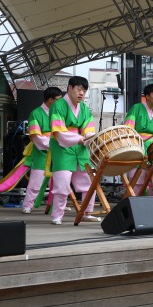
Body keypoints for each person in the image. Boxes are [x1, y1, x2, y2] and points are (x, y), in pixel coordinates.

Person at [0, 87, 62, 211]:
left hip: (58, 151)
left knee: (59, 182)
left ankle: (57, 206)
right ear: (51, 100)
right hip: (42, 151)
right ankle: (27, 205)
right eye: (59, 100)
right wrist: (53, 143)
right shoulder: (36, 113)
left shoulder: (60, 114)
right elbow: (36, 135)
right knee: (36, 182)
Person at [48, 76, 99, 225]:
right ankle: (57, 216)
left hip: (81, 148)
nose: (81, 93)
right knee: (62, 182)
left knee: (90, 181)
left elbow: (89, 130)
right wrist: (79, 138)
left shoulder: (84, 109)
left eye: (84, 90)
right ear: (69, 88)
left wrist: (90, 138)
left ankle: (87, 213)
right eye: (79, 89)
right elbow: (59, 132)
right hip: (62, 148)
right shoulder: (57, 105)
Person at [124, 83, 153, 196]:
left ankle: (151, 204)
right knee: (137, 178)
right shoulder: (136, 108)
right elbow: (128, 128)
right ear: (147, 96)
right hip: (138, 146)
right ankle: (135, 204)